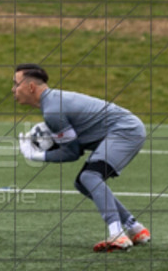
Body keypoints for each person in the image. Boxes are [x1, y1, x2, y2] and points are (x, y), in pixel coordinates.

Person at [12, 63, 151, 252]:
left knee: (90, 177)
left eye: (16, 84)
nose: (13, 89)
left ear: (30, 87)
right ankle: (135, 228)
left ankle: (117, 234)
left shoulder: (52, 110)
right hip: (126, 129)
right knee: (83, 182)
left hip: (125, 131)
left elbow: (71, 153)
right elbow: (74, 149)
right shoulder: (52, 103)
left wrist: (36, 155)